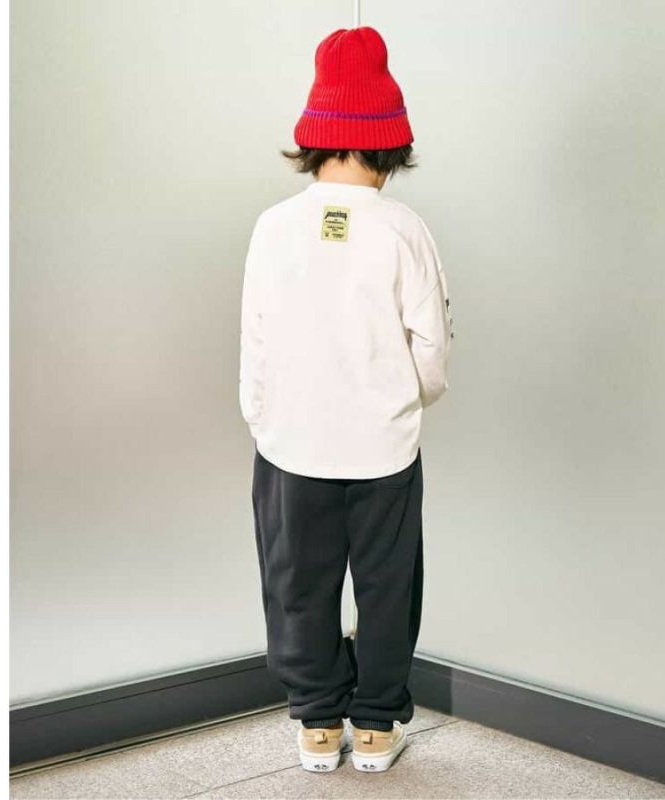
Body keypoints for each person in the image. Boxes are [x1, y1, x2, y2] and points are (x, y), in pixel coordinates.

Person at [238, 26, 453, 773]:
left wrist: (264, 418)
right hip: (382, 448)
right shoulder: (404, 229)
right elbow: (431, 348)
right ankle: (377, 725)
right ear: (393, 142)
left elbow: (255, 338)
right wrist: (403, 402)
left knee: (298, 582)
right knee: (388, 585)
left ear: (312, 135)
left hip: (291, 443)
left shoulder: (273, 227)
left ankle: (319, 726)